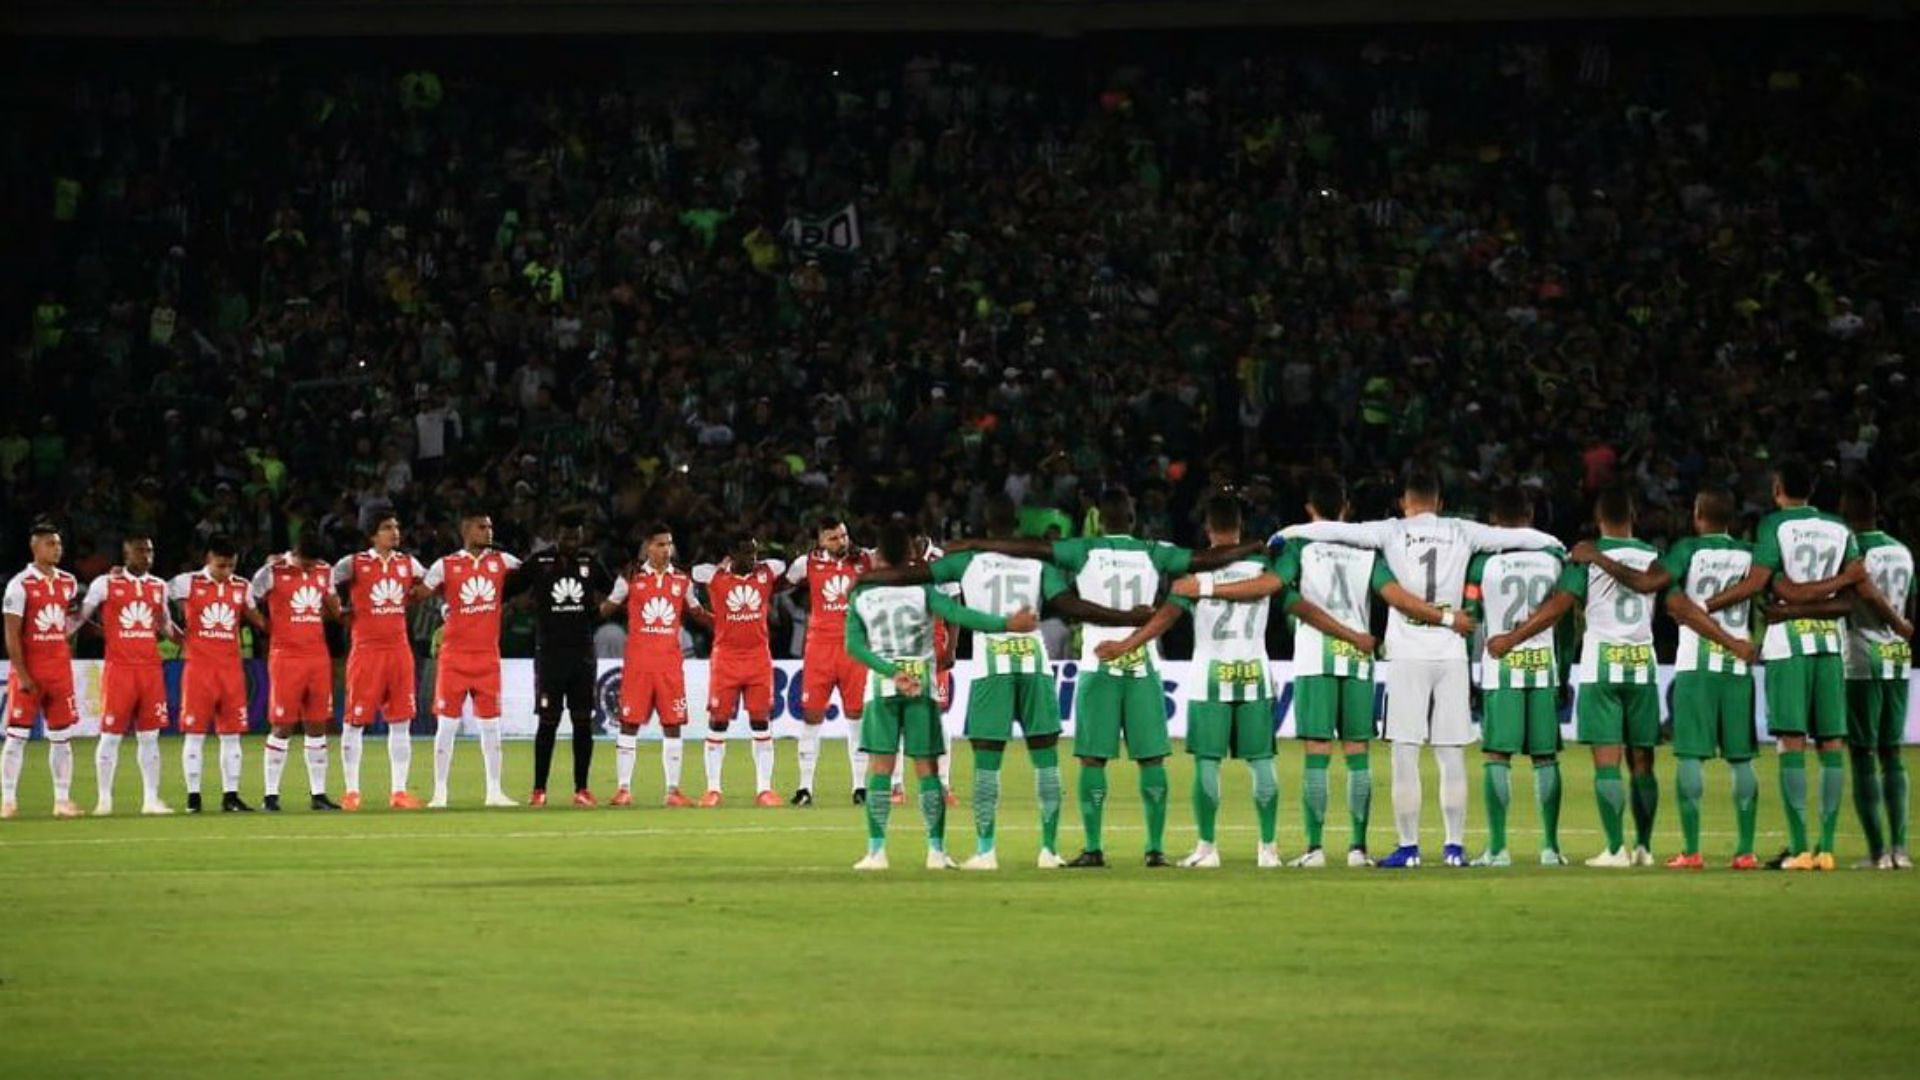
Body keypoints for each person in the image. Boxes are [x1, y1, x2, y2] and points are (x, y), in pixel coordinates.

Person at [956, 488, 1262, 868]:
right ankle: (1154, 849)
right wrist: (1252, 547)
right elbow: (1204, 558)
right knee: (1152, 761)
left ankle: (1093, 848)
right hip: (1142, 663)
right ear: (1133, 520)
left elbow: (1031, 549)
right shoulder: (1155, 550)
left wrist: (975, 542)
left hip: (1098, 663)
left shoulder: (1083, 549)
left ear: (1100, 521)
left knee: (1092, 761)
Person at [1280, 471, 1552, 868]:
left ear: (1405, 503)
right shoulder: (1463, 530)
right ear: (1439, 503)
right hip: (1451, 651)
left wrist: (1285, 533)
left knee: (1405, 753)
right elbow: (1515, 537)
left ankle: (1408, 849)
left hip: (1407, 651)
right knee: (1450, 753)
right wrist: (1555, 543)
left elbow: (1338, 531)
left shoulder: (1390, 531)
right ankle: (1454, 848)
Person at [861, 494, 1147, 869]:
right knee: (1045, 760)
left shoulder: (968, 560)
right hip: (1033, 660)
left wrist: (869, 579)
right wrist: (1125, 616)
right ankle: (1048, 850)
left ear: (984, 524)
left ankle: (985, 851)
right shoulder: (1037, 561)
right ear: (1017, 527)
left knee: (987, 762)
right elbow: (1069, 605)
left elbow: (915, 577)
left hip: (991, 665)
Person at [1103, 494, 1363, 868]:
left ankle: (1207, 848)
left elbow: (1165, 618)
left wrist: (1127, 644)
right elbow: (1299, 606)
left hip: (1210, 674)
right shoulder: (1263, 566)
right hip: (1255, 673)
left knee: (1207, 764)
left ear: (1208, 528)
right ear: (1240, 526)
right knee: (1261, 763)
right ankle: (1268, 848)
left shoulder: (1197, 572)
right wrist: (1351, 635)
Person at [1268, 473, 1462, 867]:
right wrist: (1444, 616)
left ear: (1309, 509)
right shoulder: (1366, 553)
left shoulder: (1300, 545)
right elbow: (1395, 596)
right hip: (1358, 658)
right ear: (1347, 509)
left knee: (1317, 753)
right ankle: (1358, 849)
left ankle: (1315, 850)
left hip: (1314, 658)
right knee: (1358, 754)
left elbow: (1278, 587)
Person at [1703, 458, 1867, 871]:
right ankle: (1826, 849)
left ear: (1778, 488)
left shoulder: (1775, 526)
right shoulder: (1841, 529)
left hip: (1788, 648)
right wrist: (1835, 584)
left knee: (1791, 741)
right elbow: (1854, 593)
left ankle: (1798, 849)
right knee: (1831, 743)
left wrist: (1707, 605)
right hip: (1831, 645)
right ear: (1810, 488)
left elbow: (1759, 583)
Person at [847, 521, 1037, 870]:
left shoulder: (861, 593)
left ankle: (876, 853)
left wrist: (891, 672)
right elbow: (959, 614)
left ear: (876, 556)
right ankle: (936, 852)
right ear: (910, 553)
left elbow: (853, 646)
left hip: (883, 685)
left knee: (880, 768)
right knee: (927, 769)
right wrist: (1006, 625)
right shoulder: (923, 589)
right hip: (922, 684)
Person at [1493, 488, 1667, 867]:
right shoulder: (1654, 556)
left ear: (1598, 518)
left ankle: (1615, 848)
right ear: (1633, 514)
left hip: (1602, 664)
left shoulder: (1586, 557)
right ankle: (1645, 848)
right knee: (1643, 761)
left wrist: (1512, 637)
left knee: (1607, 759)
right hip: (1643, 663)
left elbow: (1558, 607)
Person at [1651, 489, 1763, 869]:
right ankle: (1745, 852)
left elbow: (1673, 601)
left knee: (1689, 756)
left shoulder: (1687, 550)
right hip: (1737, 666)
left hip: (1695, 666)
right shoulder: (1751, 554)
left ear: (1698, 515)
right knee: (1742, 758)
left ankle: (1692, 850)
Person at [1467, 490, 1576, 866]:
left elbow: (1472, 620)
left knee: (1498, 755)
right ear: (1530, 513)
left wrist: (1471, 673)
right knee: (1545, 757)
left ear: (1493, 522)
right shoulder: (1554, 559)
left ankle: (1497, 849)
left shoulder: (1482, 564)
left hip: (1501, 668)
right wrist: (1563, 672)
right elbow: (1565, 625)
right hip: (1543, 667)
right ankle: (1550, 848)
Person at [601, 525, 712, 806]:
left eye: (670, 544)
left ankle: (673, 791)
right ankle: (623, 789)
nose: (667, 550)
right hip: (638, 664)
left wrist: (726, 620)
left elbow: (698, 613)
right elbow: (606, 609)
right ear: (648, 546)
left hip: (669, 666)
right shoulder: (631, 577)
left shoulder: (682, 580)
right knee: (629, 724)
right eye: (661, 544)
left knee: (673, 725)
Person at [418, 514, 522, 808]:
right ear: (465, 530)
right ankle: (439, 792)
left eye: (490, 526)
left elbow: (531, 575)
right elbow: (419, 592)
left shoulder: (503, 561)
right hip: (454, 658)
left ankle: (494, 791)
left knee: (491, 726)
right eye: (482, 526)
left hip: (488, 658)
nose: (489, 531)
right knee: (447, 727)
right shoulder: (445, 565)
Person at [1838, 481, 1914, 869]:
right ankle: (1900, 850)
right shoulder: (1902, 551)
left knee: (1863, 754)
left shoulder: (1851, 552)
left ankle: (1877, 852)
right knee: (1893, 753)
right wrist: (1903, 629)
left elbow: (1856, 596)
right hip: (1898, 657)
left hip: (1862, 658)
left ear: (1844, 511)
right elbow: (1912, 600)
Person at [332, 514, 430, 811]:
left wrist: (414, 597)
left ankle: (399, 791)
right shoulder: (354, 563)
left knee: (401, 722)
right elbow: (323, 582)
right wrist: (339, 611)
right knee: (355, 722)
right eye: (387, 528)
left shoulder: (408, 564)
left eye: (397, 527)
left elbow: (429, 584)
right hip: (367, 651)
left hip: (399, 650)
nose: (395, 532)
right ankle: (351, 791)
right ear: (372, 536)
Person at [517, 514, 615, 807]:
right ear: (556, 535)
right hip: (549, 655)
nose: (572, 542)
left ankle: (581, 789)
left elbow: (615, 592)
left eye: (577, 537)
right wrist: (525, 605)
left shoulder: (590, 563)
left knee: (583, 722)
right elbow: (509, 589)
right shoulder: (539, 563)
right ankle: (539, 790)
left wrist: (598, 614)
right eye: (567, 536)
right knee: (548, 722)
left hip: (582, 655)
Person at [169, 534, 268, 813]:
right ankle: (193, 798)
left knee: (232, 735)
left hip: (230, 671)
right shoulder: (186, 583)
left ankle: (231, 796)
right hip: (198, 671)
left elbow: (259, 621)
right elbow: (153, 597)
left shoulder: (242, 587)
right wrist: (177, 637)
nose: (226, 572)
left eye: (231, 566)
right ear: (208, 559)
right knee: (195, 735)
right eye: (221, 566)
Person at [81, 534, 179, 816]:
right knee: (111, 736)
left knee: (150, 737)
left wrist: (193, 644)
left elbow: (166, 627)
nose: (146, 556)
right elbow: (82, 615)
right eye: (140, 551)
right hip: (119, 670)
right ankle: (104, 800)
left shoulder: (159, 586)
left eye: (150, 550)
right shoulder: (106, 583)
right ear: (126, 555)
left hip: (150, 670)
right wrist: (96, 632)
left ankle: (150, 800)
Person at [692, 536, 788, 807]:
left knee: (761, 722)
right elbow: (695, 572)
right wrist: (722, 567)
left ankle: (764, 789)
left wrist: (758, 562)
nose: (753, 558)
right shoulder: (716, 577)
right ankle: (713, 789)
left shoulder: (764, 573)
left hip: (758, 658)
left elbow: (781, 564)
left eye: (755, 552)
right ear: (732, 553)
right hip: (726, 659)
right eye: (747, 552)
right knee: (718, 722)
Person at [784, 517, 873, 806]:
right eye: (833, 538)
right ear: (821, 541)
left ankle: (860, 787)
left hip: (855, 647)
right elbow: (777, 586)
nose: (841, 542)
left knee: (856, 717)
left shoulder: (865, 560)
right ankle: (804, 787)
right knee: (812, 717)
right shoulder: (805, 564)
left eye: (843, 536)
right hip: (820, 649)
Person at [251, 537, 344, 812]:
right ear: (296, 553)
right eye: (306, 562)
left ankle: (318, 794)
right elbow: (246, 598)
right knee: (283, 724)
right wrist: (267, 625)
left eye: (314, 563)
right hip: (286, 657)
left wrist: (333, 612)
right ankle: (270, 796)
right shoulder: (272, 572)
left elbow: (333, 606)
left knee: (317, 724)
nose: (310, 567)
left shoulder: (324, 571)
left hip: (317, 656)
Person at [2, 523, 84, 819]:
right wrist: (22, 675)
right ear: (35, 547)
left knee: (62, 737)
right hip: (30, 671)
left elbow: (71, 621)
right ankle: (8, 800)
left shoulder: (68, 582)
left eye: (59, 544)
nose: (57, 549)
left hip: (59, 671)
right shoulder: (19, 585)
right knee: (16, 736)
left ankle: (62, 801)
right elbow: (11, 634)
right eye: (51, 544)